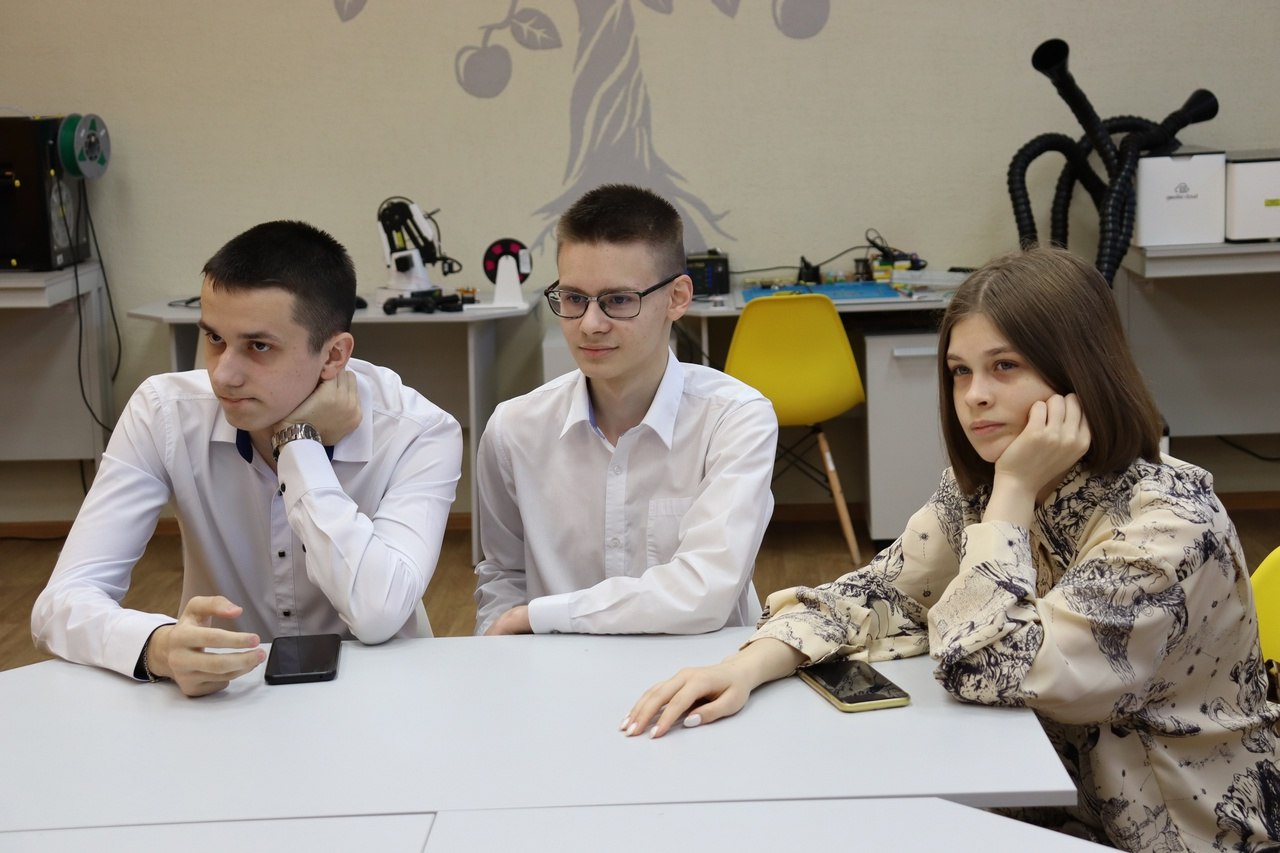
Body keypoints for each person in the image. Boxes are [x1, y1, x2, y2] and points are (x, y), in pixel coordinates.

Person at [624, 246, 1279, 851]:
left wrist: (1013, 492)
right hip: (1053, 800)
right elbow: (876, 593)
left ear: (1080, 371)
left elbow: (986, 665)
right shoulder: (990, 487)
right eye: (960, 372)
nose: (974, 396)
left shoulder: (1167, 528)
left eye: (1004, 367)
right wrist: (744, 668)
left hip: (1173, 836)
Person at [32, 220, 463, 697]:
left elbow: (378, 614)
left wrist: (297, 442)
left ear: (333, 356)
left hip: (382, 693)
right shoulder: (164, 412)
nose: (224, 375)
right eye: (215, 339)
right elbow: (60, 604)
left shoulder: (419, 431)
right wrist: (157, 646)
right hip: (231, 697)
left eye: (259, 346)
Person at [473, 184, 778, 636]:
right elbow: (502, 575)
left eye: (618, 300)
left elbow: (704, 591)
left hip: (698, 666)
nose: (590, 325)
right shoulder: (514, 429)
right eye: (573, 298)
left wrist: (541, 617)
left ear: (677, 297)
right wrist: (499, 645)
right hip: (556, 668)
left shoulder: (733, 420)